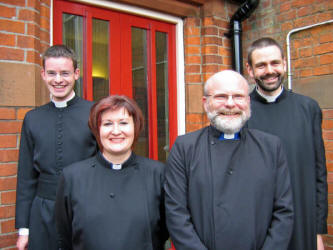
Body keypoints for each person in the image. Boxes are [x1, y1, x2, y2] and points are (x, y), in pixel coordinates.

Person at [165, 69, 293, 250]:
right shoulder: (185, 147)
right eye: (221, 97)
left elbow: (284, 212)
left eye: (238, 96)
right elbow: (175, 213)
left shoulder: (271, 147)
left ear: (248, 102)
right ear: (205, 103)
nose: (230, 104)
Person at [55, 95, 168, 250]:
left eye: (123, 123)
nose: (116, 131)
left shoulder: (158, 174)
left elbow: (163, 230)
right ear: (97, 129)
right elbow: (66, 234)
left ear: (135, 127)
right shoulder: (73, 178)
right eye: (107, 124)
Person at [246, 37, 328, 250]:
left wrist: (318, 231)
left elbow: (319, 173)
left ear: (284, 63)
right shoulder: (241, 112)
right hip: (257, 225)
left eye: (274, 63)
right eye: (261, 65)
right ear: (250, 70)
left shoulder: (308, 108)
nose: (269, 71)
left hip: (303, 223)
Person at [15, 45, 97, 250]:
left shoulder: (94, 113)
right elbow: (26, 176)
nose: (58, 80)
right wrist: (23, 229)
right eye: (51, 73)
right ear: (43, 74)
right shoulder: (32, 118)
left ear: (76, 74)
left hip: (85, 207)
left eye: (65, 73)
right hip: (42, 211)